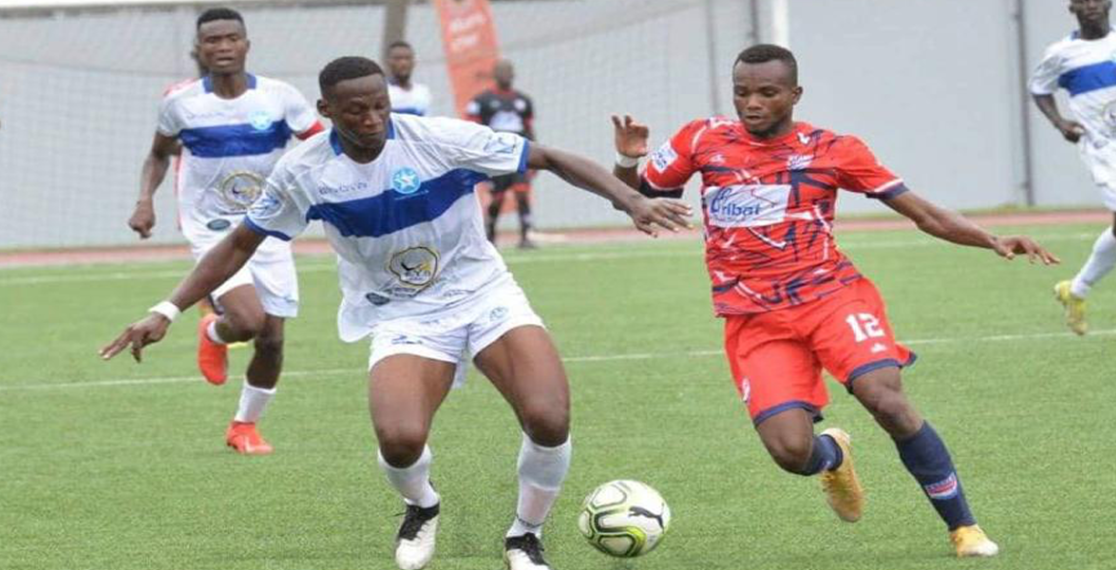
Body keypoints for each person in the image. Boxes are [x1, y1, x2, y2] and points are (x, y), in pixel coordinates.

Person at [102, 56, 691, 570]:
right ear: (325, 109)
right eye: (355, 110)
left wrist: (632, 199)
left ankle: (525, 536)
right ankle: (421, 506)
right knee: (401, 438)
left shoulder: (438, 138)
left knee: (548, 417)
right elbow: (238, 244)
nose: (371, 119)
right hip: (402, 313)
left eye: (379, 105)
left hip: (484, 294)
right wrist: (168, 309)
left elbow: (548, 157)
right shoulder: (305, 171)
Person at [610, 44, 1059, 558]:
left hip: (831, 298)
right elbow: (635, 198)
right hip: (754, 319)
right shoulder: (701, 139)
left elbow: (922, 213)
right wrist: (628, 159)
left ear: (794, 94)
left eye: (767, 92)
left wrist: (992, 239)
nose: (751, 103)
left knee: (884, 397)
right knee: (790, 451)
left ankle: (964, 528)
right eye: (742, 92)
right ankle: (833, 457)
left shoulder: (833, 149)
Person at [126, 7, 324, 454]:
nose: (222, 47)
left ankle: (242, 425)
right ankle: (219, 328)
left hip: (269, 223)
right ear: (199, 49)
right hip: (211, 225)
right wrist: (145, 200)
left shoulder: (279, 97)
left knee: (271, 340)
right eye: (212, 41)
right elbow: (158, 155)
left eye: (231, 38)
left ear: (246, 44)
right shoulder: (181, 103)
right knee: (251, 320)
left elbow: (319, 146)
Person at [1031, 0, 1116, 335]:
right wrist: (1059, 123)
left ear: (1108, 4)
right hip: (1106, 151)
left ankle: (1074, 290)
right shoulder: (1061, 53)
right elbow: (1039, 89)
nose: (1091, 5)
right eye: (1083, 1)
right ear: (1072, 8)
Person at [466, 59, 538, 248]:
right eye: (501, 72)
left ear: (513, 75)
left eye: (508, 71)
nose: (505, 75)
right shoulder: (481, 101)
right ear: (495, 75)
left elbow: (529, 129)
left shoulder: (523, 101)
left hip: (520, 155)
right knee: (497, 198)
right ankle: (490, 236)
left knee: (522, 193)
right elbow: (473, 129)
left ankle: (526, 235)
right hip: (495, 157)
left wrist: (535, 157)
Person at [385, 40, 433, 116]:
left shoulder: (422, 92)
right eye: (398, 58)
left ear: (414, 62)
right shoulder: (383, 91)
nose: (403, 63)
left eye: (407, 58)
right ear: (388, 62)